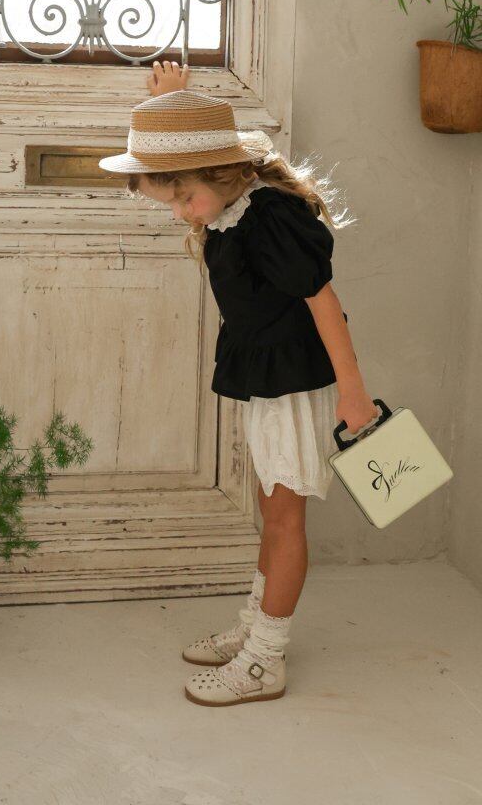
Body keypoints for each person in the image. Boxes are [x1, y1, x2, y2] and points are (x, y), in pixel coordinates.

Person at [98, 60, 378, 707]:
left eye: (183, 200)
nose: (181, 215)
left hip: (296, 383)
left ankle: (264, 660)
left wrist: (353, 391)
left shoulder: (269, 217)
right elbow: (203, 155)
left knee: (284, 521)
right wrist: (174, 106)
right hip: (267, 377)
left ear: (221, 174)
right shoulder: (228, 204)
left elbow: (323, 303)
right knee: (270, 512)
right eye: (171, 205)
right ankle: (255, 626)